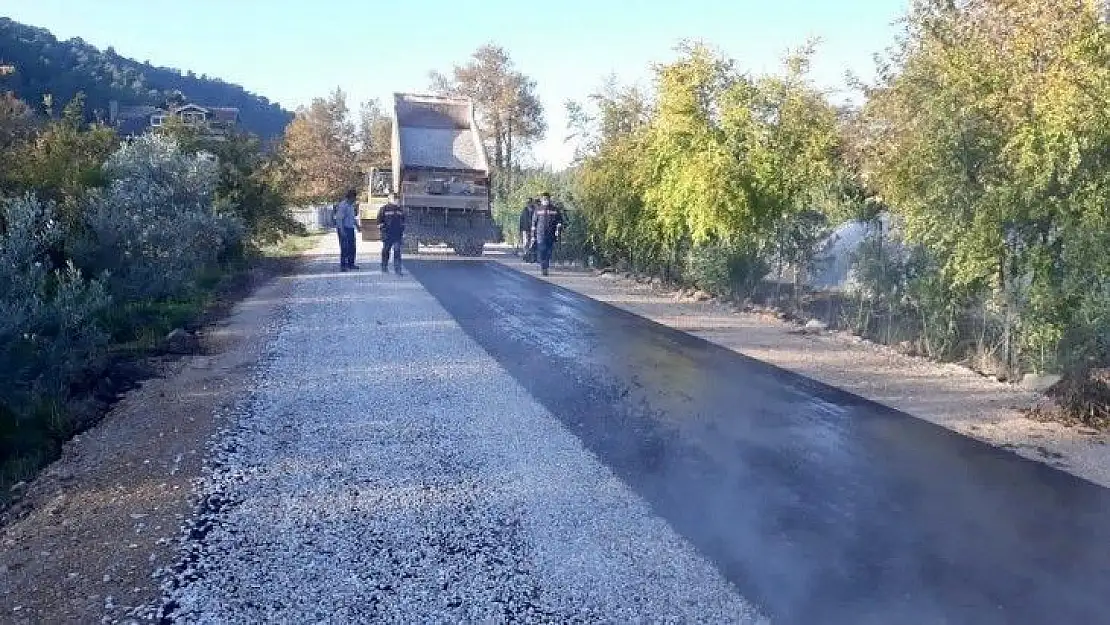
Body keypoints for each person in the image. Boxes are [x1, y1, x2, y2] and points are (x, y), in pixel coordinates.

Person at [531, 192, 564, 277]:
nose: (546, 200)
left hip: (551, 234)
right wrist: (533, 236)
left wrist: (558, 228)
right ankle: (544, 267)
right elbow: (534, 223)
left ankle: (546, 265)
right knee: (542, 250)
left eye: (547, 199)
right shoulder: (538, 210)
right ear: (541, 200)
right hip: (540, 234)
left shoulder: (554, 209)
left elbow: (560, 221)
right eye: (544, 199)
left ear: (549, 199)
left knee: (549, 251)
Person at [377, 192, 406, 275]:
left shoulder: (400, 210)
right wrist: (383, 230)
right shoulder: (384, 209)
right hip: (387, 234)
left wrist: (402, 232)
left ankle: (398, 269)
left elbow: (403, 222)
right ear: (389, 199)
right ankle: (384, 267)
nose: (397, 200)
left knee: (397, 251)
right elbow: (379, 222)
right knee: (386, 250)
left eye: (397, 198)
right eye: (395, 198)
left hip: (397, 235)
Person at [335, 189, 361, 271]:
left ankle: (351, 264)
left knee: (352, 247)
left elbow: (352, 218)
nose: (355, 199)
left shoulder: (351, 206)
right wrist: (342, 230)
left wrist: (357, 226)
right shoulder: (343, 205)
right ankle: (343, 266)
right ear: (350, 197)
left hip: (350, 229)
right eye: (354, 198)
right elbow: (339, 219)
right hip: (343, 228)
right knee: (344, 248)